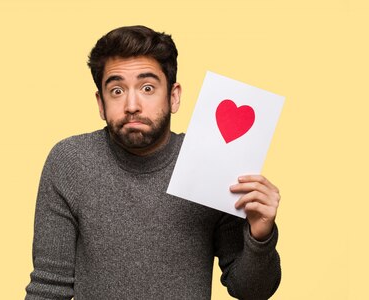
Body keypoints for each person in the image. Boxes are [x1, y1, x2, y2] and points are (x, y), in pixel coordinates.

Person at [25, 25, 282, 299]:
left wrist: (260, 234)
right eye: (117, 91)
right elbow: (49, 287)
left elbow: (252, 291)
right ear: (100, 103)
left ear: (173, 96)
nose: (132, 105)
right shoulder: (70, 162)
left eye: (147, 88)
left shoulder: (211, 163)